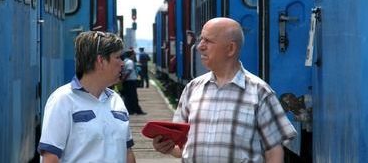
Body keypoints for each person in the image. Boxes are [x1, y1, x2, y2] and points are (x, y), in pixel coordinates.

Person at [152, 17, 297, 163]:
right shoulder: (192, 88)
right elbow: (182, 148)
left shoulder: (260, 92)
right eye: (201, 40)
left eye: (207, 41)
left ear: (231, 49)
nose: (199, 46)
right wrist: (169, 147)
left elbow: (273, 151)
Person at [37, 31, 136, 163]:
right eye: (118, 57)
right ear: (101, 60)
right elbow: (50, 157)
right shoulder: (63, 100)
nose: (122, 63)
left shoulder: (116, 101)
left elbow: (127, 152)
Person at [121, 49, 146, 115]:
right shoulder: (130, 62)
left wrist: (122, 80)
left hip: (127, 82)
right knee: (133, 97)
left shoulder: (124, 61)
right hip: (131, 81)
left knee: (127, 97)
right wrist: (124, 79)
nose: (134, 56)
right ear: (131, 55)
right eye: (133, 54)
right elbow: (128, 71)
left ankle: (131, 110)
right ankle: (136, 110)